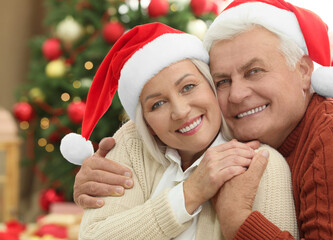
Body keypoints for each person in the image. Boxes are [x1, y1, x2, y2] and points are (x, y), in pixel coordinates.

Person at [72, 0, 333, 239]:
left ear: (304, 71)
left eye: (254, 71)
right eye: (222, 81)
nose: (236, 95)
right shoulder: (134, 143)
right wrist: (189, 192)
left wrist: (237, 217)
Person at [60, 22, 298, 239]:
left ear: (212, 85)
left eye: (189, 87)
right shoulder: (132, 146)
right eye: (157, 104)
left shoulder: (261, 164)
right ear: (148, 125)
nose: (181, 112)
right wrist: (190, 193)